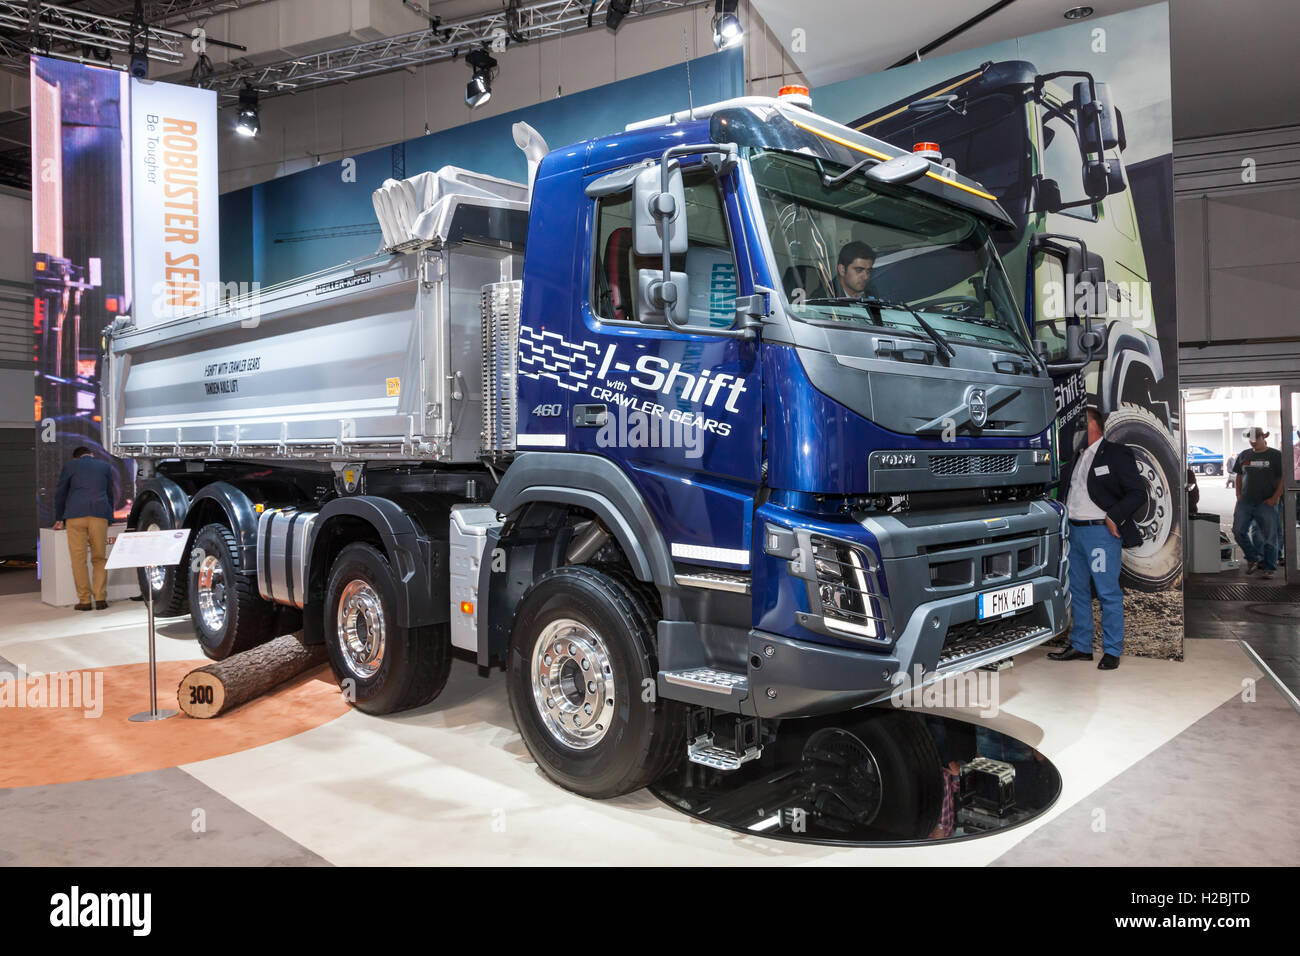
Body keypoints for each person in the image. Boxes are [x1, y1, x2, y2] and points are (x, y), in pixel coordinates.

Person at [1049, 405, 1146, 670]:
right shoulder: (1075, 457)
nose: (1073, 430)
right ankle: (1081, 646)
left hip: (1100, 534)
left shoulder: (1116, 454)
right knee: (1078, 592)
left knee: (1107, 593)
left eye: (1079, 424)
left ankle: (1112, 650)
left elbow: (1138, 492)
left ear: (1093, 425)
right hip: (1073, 532)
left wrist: (1114, 516)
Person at [52, 446, 117, 611]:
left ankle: (85, 601)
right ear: (92, 455)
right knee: (99, 558)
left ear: (76, 458)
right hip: (99, 514)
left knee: (78, 559)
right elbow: (110, 494)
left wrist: (59, 518)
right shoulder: (104, 466)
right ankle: (101, 598)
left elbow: (60, 494)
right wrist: (109, 517)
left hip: (75, 515)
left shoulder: (70, 466)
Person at [1232, 426, 1283, 577]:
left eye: (1256, 439)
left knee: (1269, 536)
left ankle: (1269, 567)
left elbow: (1283, 478)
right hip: (1246, 501)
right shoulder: (1244, 455)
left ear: (1264, 437)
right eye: (1250, 439)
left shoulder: (1275, 455)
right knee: (1238, 531)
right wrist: (1239, 496)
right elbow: (1239, 476)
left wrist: (1275, 498)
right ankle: (1253, 558)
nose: (1252, 442)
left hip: (1266, 502)